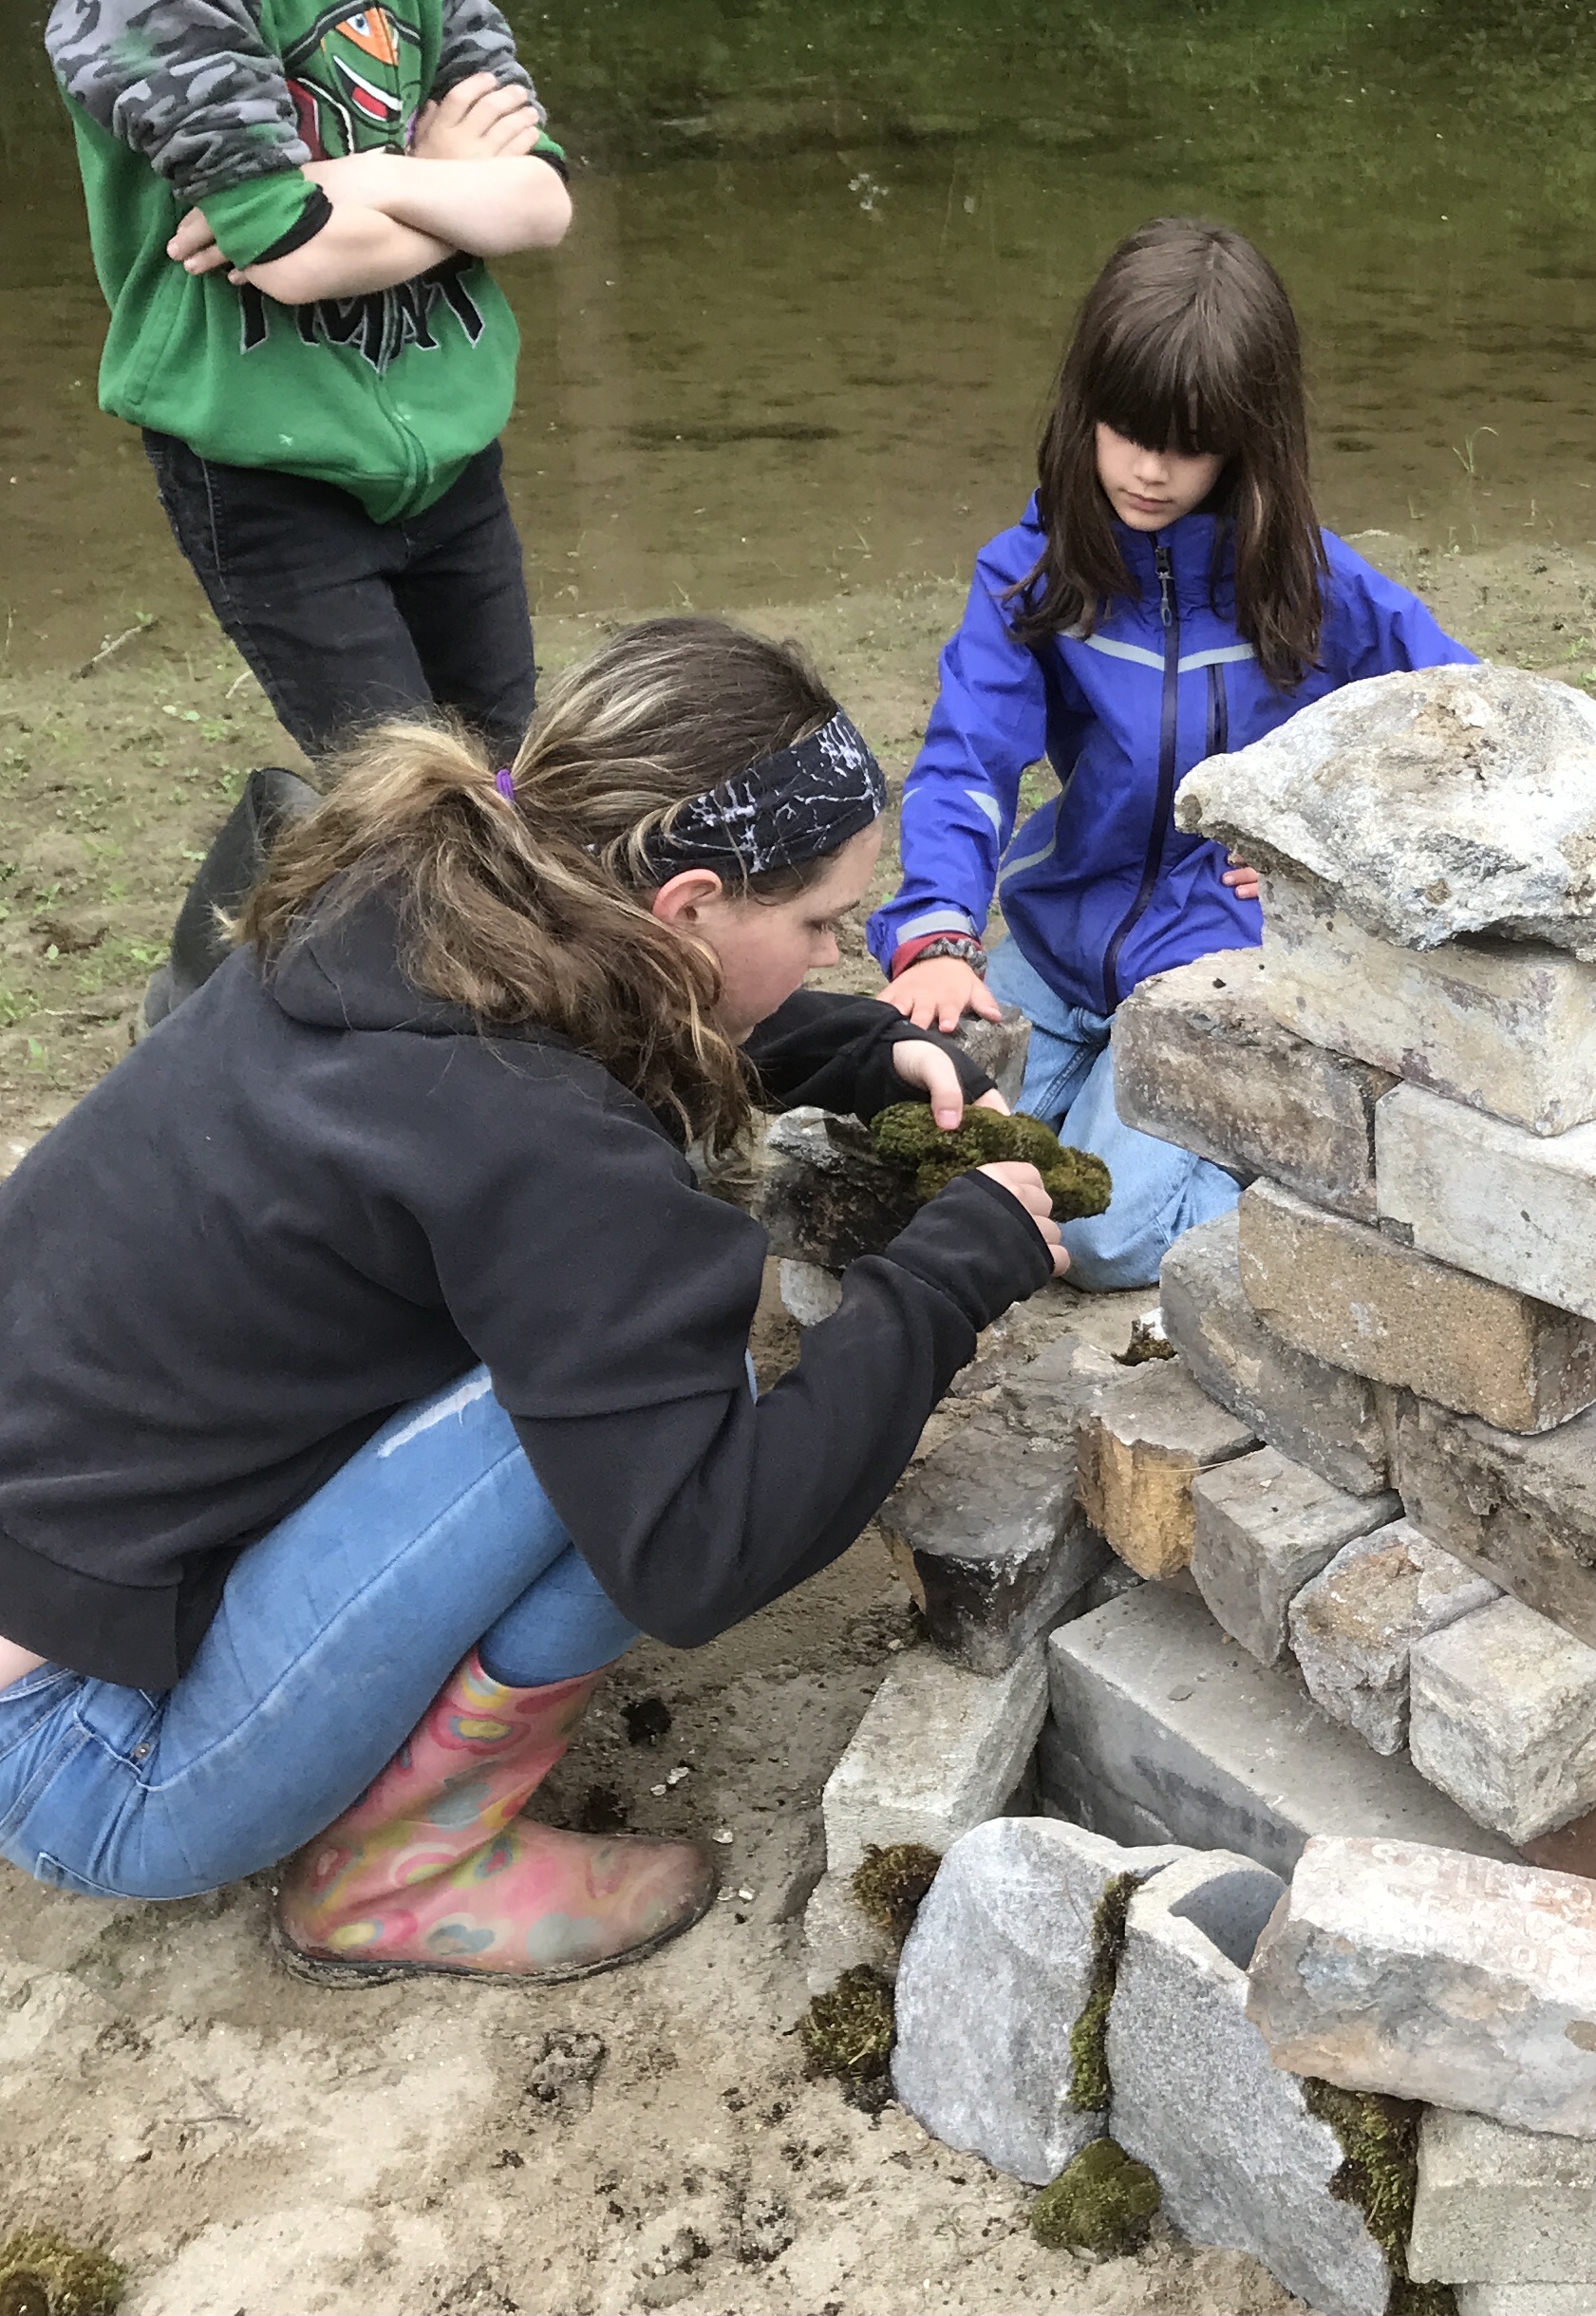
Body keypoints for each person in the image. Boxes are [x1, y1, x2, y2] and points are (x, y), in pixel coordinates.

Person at [0, 619, 1068, 1986]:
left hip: (58, 1573)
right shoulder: (536, 1137)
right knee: (677, 1421)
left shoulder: (404, 896)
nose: (836, 946)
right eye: (814, 926)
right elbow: (695, 1554)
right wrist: (948, 1272)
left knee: (609, 1376)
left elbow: (597, 1018)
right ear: (684, 907)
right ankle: (400, 1869)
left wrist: (850, 1043)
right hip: (87, 1756)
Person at [870, 217, 1473, 1287]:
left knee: (1099, 1238)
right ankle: (1135, 1096)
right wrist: (937, 930)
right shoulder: (1031, 574)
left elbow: (1473, 728)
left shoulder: (1321, 587)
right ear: (1082, 407)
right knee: (935, 1147)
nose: (1149, 470)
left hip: (1220, 964)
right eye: (1126, 428)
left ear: (1250, 438)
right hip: (1058, 940)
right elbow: (969, 757)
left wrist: (1331, 848)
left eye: (1189, 442)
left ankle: (1284, 1138)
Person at [43, 0, 572, 771]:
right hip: (266, 470)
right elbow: (291, 252)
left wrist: (377, 178)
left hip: (452, 451)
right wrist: (438, 183)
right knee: (402, 806)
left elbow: (540, 201)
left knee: (505, 774)